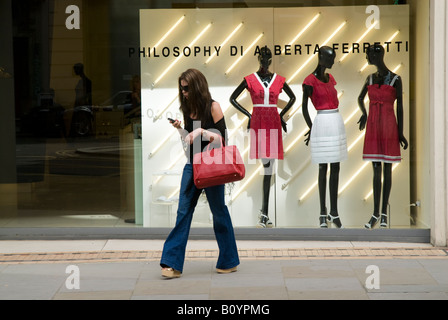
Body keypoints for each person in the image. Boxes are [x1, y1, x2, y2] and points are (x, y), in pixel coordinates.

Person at [160, 68, 240, 278]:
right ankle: (172, 264)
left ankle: (229, 260)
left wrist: (202, 131)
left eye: (186, 88)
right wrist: (181, 130)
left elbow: (222, 140)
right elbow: (190, 145)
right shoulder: (188, 108)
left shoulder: (213, 107)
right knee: (183, 212)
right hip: (192, 165)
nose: (183, 92)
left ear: (196, 86)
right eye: (181, 88)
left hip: (212, 165)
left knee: (219, 212)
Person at [229, 46, 296, 228]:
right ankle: (264, 212)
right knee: (266, 165)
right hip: (259, 121)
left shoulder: (278, 80)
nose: (265, 60)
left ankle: (264, 213)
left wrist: (281, 116)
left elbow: (293, 98)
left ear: (271, 59)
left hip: (273, 122)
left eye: (268, 57)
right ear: (258, 59)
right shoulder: (250, 79)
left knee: (269, 167)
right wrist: (249, 115)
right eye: (262, 57)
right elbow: (232, 98)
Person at [357, 44, 408, 229]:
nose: (366, 57)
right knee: (376, 170)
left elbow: (400, 106)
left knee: (387, 170)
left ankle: (384, 214)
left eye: (368, 54)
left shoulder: (395, 79)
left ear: (376, 55)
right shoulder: (370, 78)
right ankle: (375, 214)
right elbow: (360, 98)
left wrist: (401, 132)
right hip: (373, 126)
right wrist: (364, 113)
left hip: (388, 126)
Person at [302, 46, 347, 228]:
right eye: (330, 58)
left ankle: (334, 212)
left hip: (335, 120)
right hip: (321, 121)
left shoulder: (330, 79)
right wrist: (312, 128)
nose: (333, 61)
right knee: (323, 168)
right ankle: (322, 211)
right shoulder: (309, 81)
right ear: (320, 57)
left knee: (335, 166)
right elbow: (304, 107)